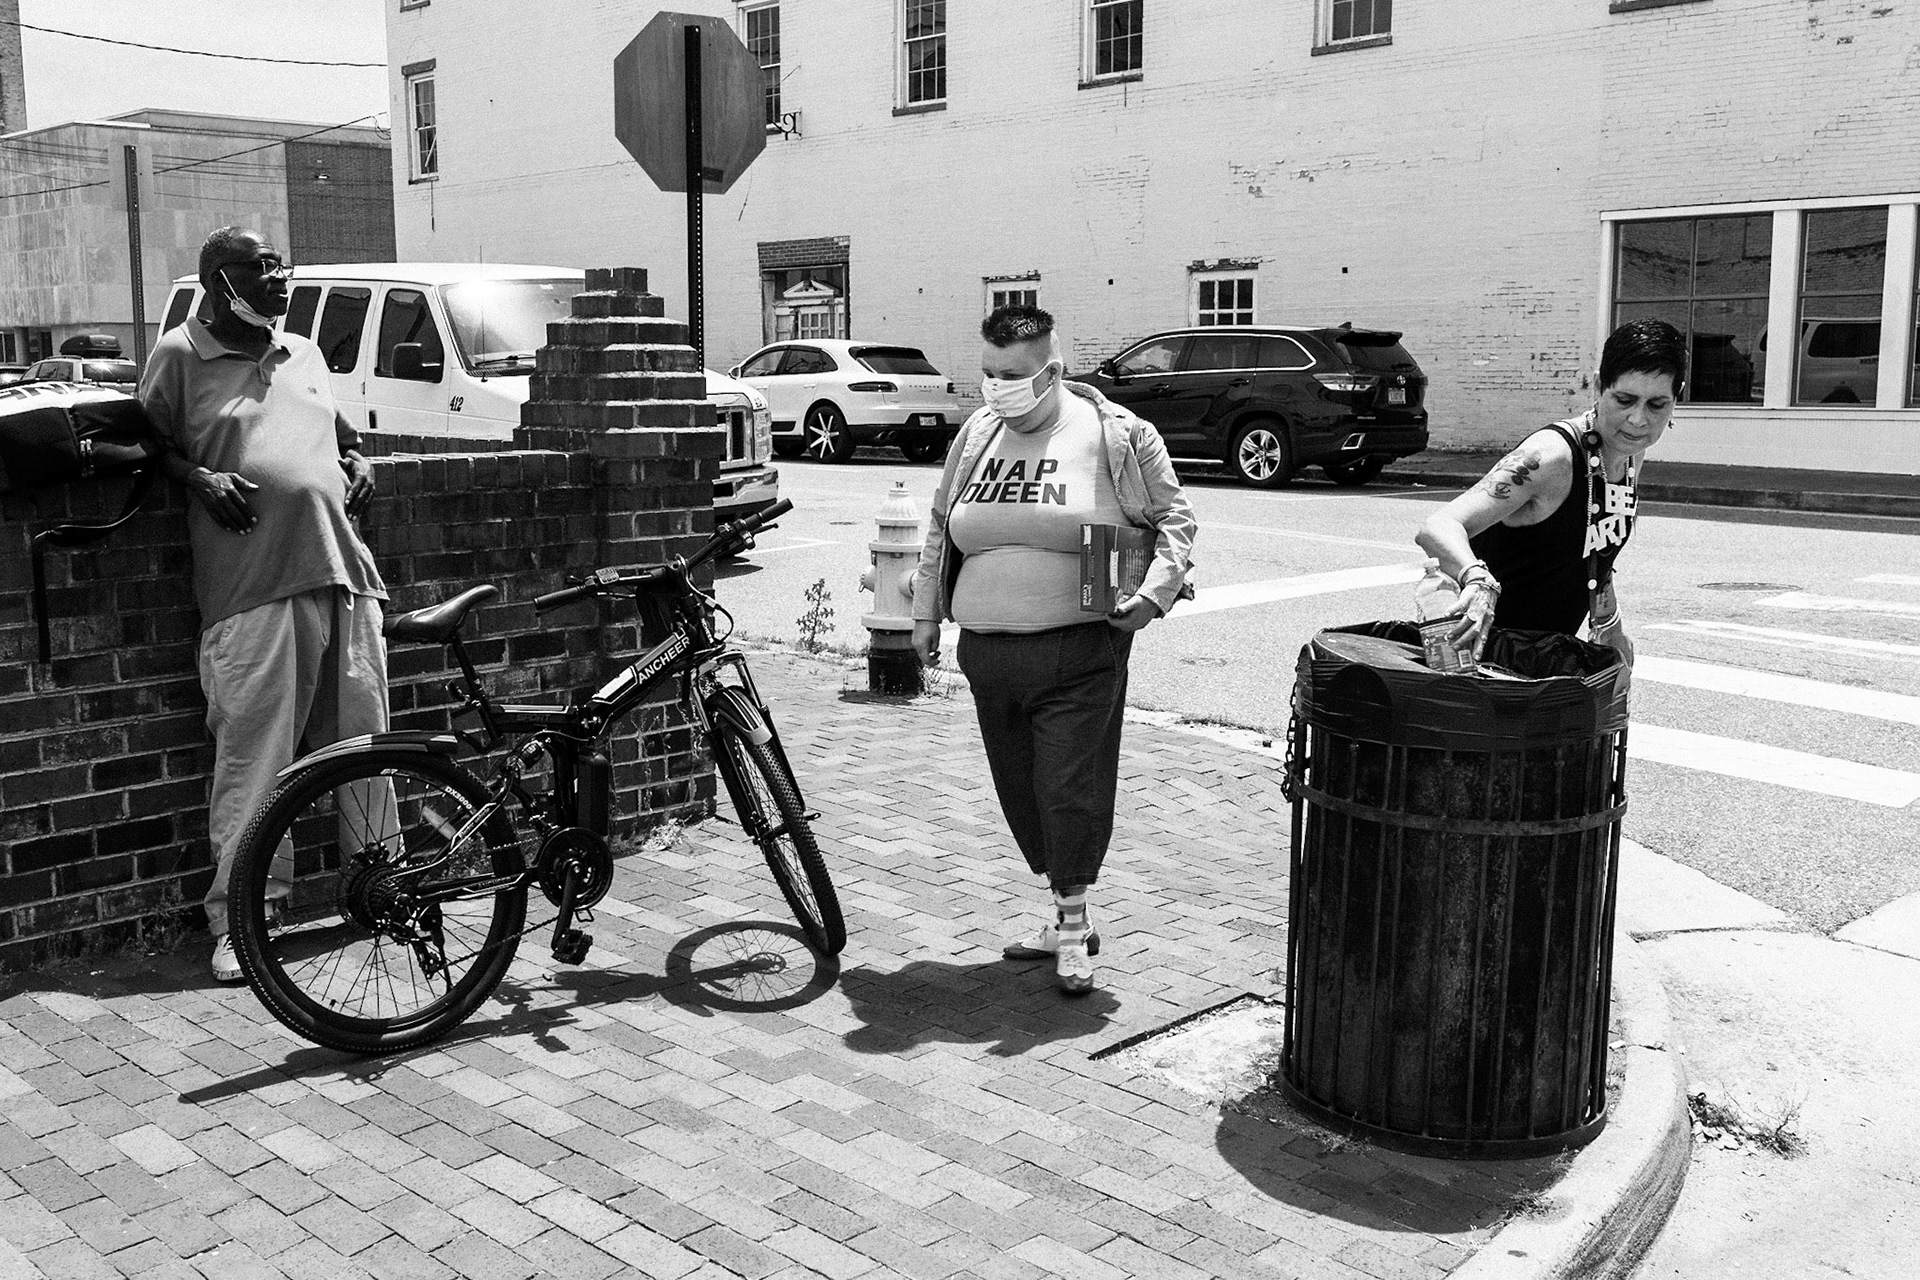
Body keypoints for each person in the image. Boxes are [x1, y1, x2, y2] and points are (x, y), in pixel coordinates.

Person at [910, 305, 1196, 995]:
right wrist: (923, 613)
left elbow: (1175, 521)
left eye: (1012, 375)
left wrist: (1154, 594)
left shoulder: (1116, 433)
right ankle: (1068, 909)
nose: (996, 388)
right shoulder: (979, 434)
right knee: (1022, 793)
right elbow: (941, 524)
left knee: (1067, 787)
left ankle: (1070, 928)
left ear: (1054, 370)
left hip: (1081, 648)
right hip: (988, 656)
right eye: (989, 372)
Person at [138, 226, 388, 982]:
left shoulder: (301, 352)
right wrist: (198, 477)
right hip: (252, 588)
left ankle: (378, 890)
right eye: (265, 267)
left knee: (365, 750)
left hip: (343, 573)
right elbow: (144, 447)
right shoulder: (179, 355)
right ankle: (245, 919)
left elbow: (341, 434)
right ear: (221, 279)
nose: (281, 278)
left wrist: (359, 458)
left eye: (284, 266)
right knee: (257, 760)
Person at [1415, 318, 1687, 667]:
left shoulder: (1631, 452)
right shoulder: (1550, 458)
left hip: (1545, 664)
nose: (1638, 419)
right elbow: (1437, 526)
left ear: (1676, 398)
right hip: (1480, 659)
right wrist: (1477, 579)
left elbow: (1597, 552)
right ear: (1598, 387)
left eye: (1656, 405)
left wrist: (1610, 627)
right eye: (1624, 400)